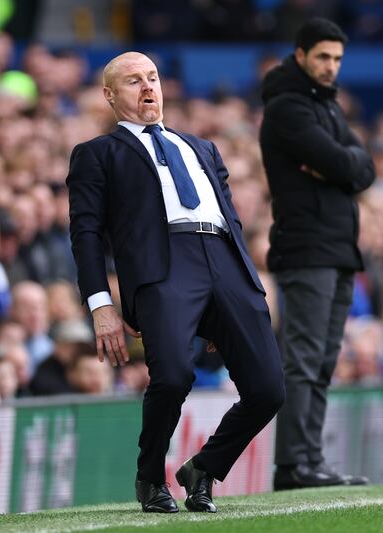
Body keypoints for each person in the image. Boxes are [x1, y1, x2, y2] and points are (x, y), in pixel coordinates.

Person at [67, 52, 284, 513]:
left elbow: (232, 218)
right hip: (164, 267)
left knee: (269, 388)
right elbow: (85, 233)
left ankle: (203, 469)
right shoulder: (98, 153)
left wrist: (236, 283)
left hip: (225, 262)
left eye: (152, 77)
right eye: (132, 81)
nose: (147, 87)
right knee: (172, 377)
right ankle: (150, 478)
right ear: (109, 95)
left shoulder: (202, 147)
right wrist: (101, 304)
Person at [259, 17, 375, 490]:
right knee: (304, 358)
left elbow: (363, 167)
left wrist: (345, 166)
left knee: (324, 359)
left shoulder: (325, 107)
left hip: (338, 248)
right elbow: (343, 161)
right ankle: (293, 464)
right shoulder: (289, 108)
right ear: (301, 55)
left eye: (338, 59)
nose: (331, 67)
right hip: (307, 247)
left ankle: (311, 458)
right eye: (323, 57)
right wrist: (345, 165)